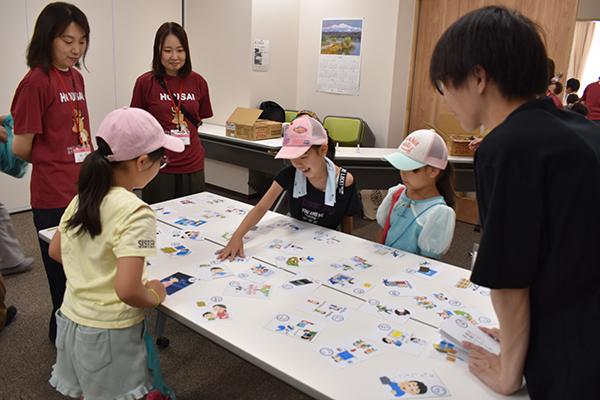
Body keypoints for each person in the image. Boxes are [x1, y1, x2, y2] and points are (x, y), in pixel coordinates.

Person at [429, 6, 600, 399]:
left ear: (478, 77)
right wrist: (513, 335)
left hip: (574, 358)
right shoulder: (581, 129)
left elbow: (510, 277)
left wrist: (509, 370)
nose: (446, 99)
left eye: (443, 85)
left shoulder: (507, 146)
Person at [47, 106, 183, 399]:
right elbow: (127, 290)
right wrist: (155, 294)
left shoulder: (84, 195)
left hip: (71, 319)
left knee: (89, 390)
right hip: (110, 332)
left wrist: (93, 271)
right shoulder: (137, 212)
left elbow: (57, 250)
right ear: (142, 161)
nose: (161, 166)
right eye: (161, 160)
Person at [10, 2, 92, 344]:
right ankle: (62, 340)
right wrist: (54, 159)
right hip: (53, 195)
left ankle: (82, 335)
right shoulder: (35, 82)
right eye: (67, 41)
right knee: (61, 276)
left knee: (84, 272)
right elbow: (20, 147)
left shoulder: (75, 76)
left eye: (82, 41)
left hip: (82, 189)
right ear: (47, 38)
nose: (76, 49)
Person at [216, 116, 363, 261]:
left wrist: (345, 244)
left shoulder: (343, 181)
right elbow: (261, 207)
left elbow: (347, 216)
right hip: (295, 233)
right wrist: (237, 236)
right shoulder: (291, 174)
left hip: (327, 237)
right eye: (292, 157)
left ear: (323, 149)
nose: (298, 164)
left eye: (303, 157)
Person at [131, 22, 213, 204]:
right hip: (159, 166)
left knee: (194, 215)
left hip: (192, 164)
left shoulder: (198, 82)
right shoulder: (145, 83)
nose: (174, 57)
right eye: (167, 50)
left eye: (180, 50)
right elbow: (138, 123)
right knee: (159, 216)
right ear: (158, 51)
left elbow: (199, 119)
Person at [375, 130, 456, 259]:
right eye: (401, 166)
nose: (403, 173)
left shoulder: (438, 213)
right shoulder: (396, 194)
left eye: (411, 168)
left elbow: (426, 261)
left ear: (433, 171)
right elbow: (382, 235)